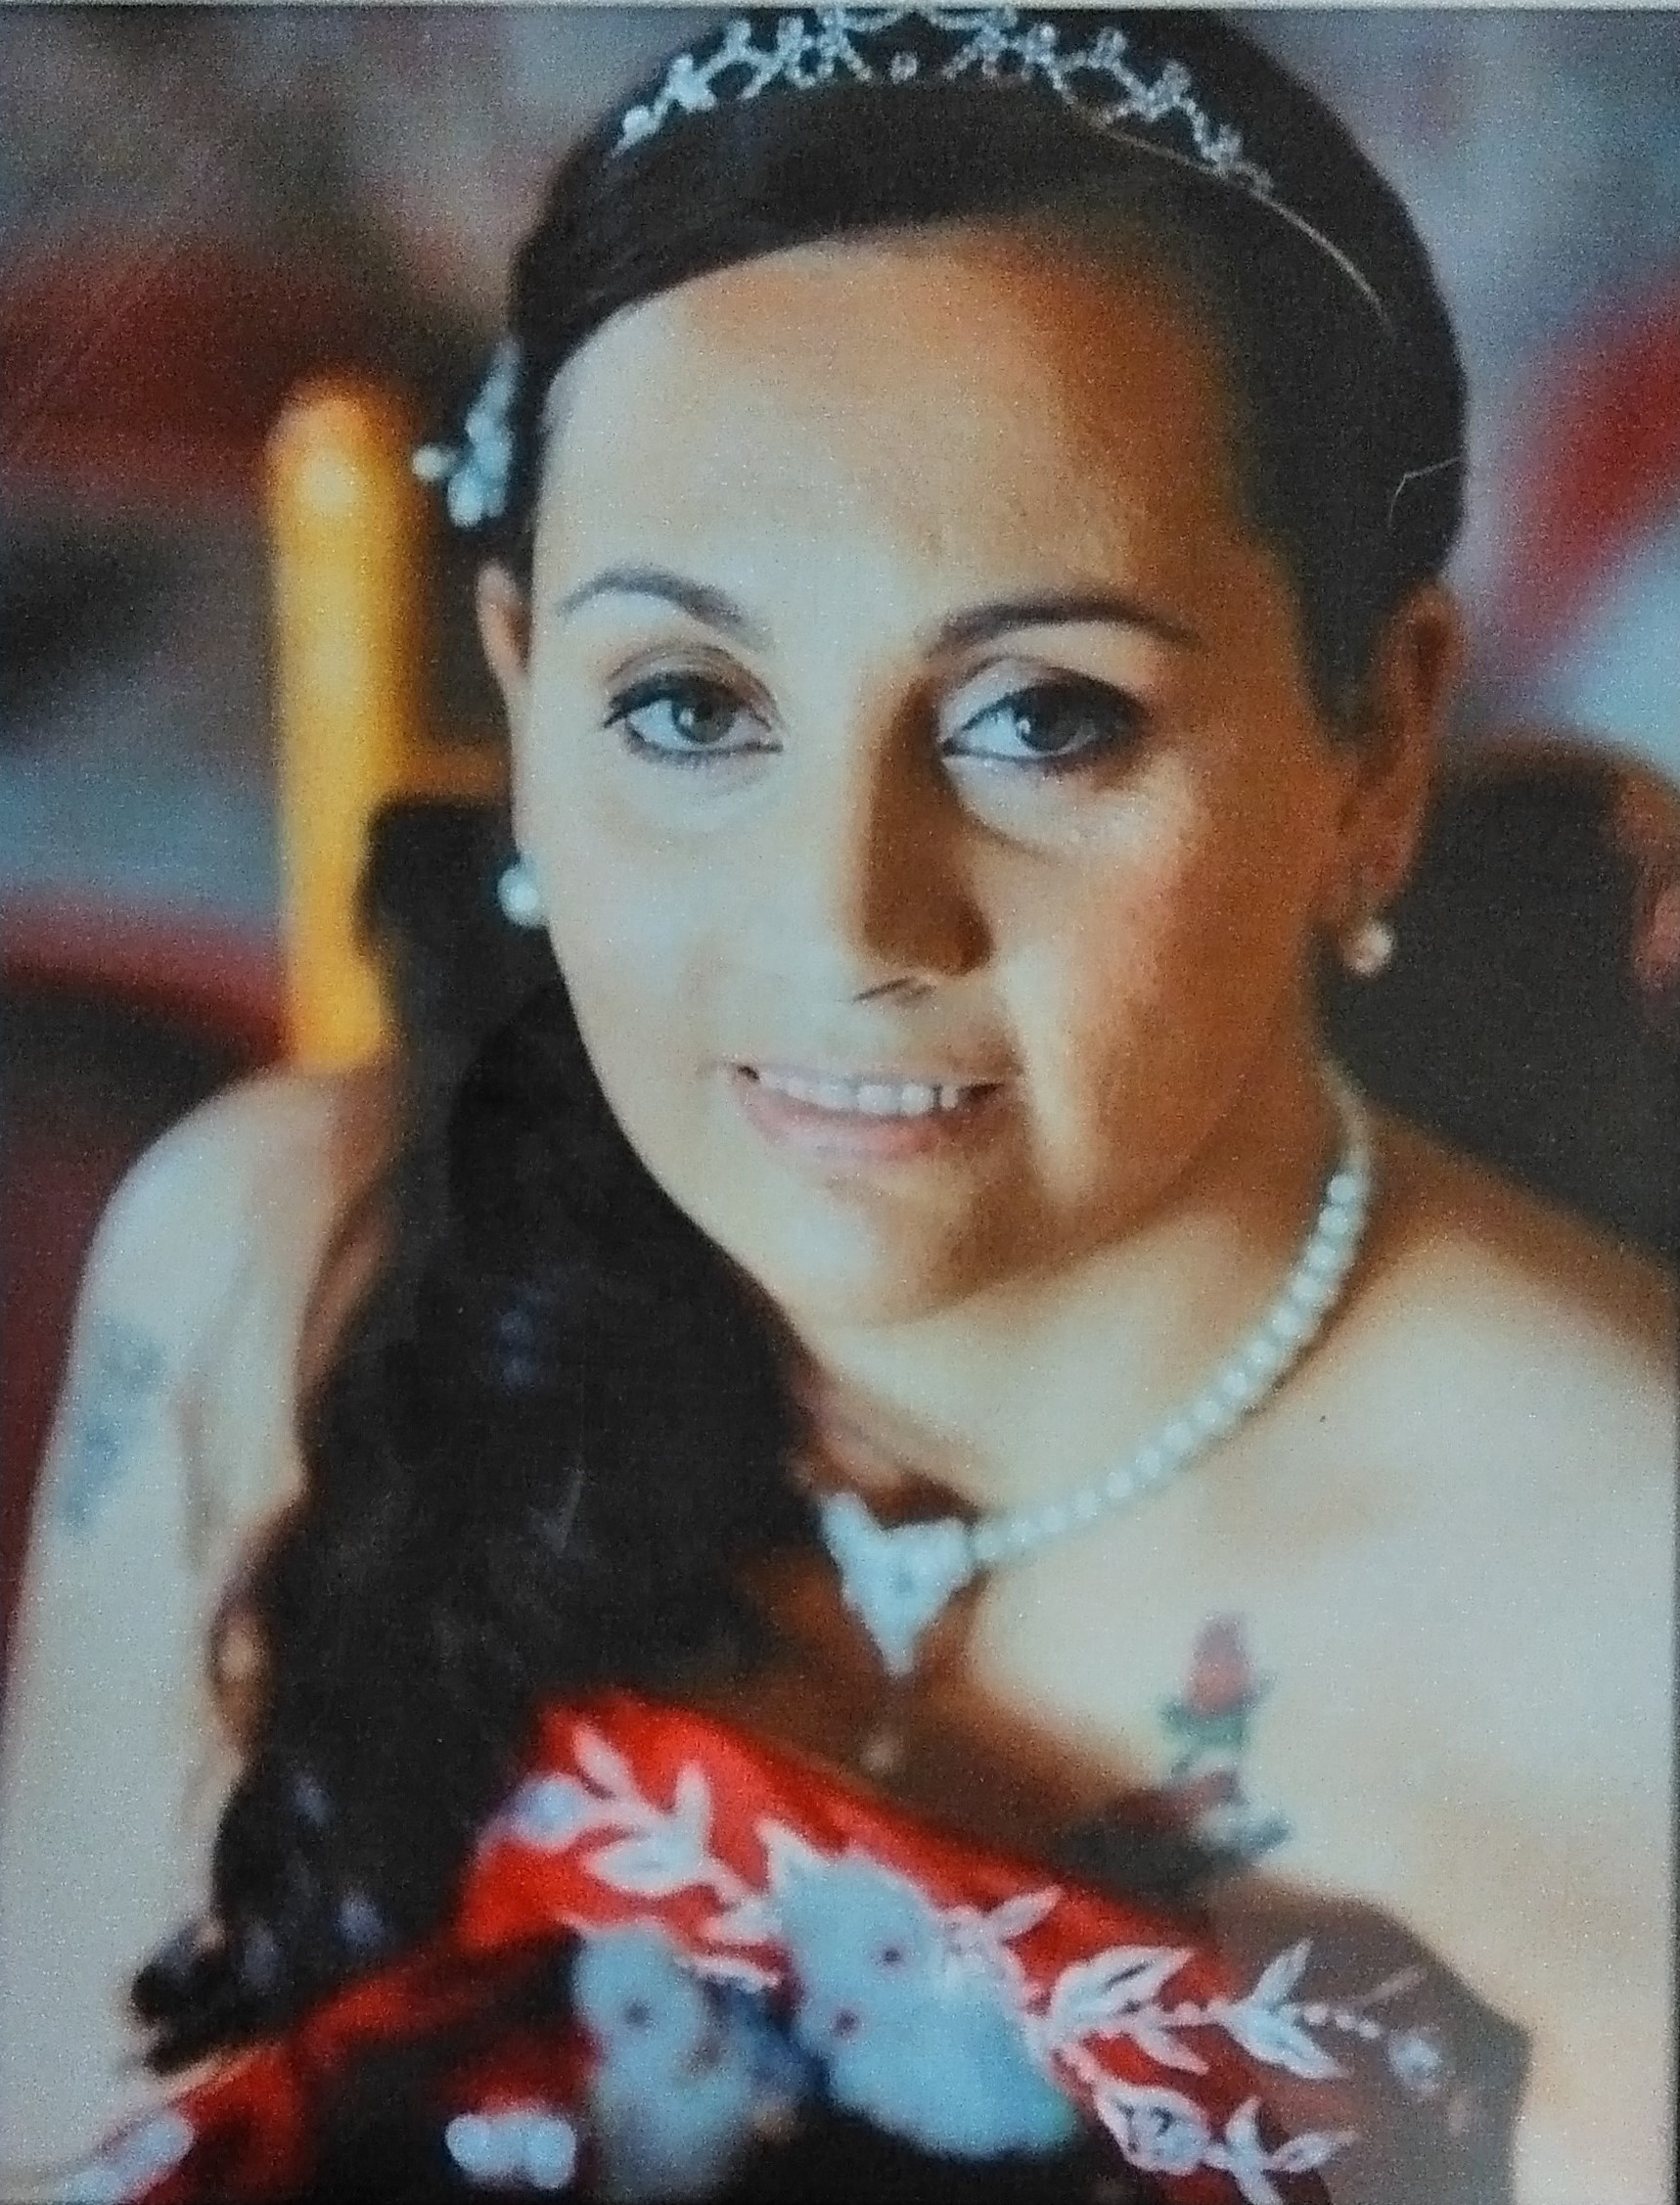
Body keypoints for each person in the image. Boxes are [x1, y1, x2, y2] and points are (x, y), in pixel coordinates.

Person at [2, 11, 1672, 2201]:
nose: (844, 919)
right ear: (520, 689)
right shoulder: (258, 1270)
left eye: (1042, 717)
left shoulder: (1618, 1613)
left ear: (1372, 746)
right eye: (689, 705)